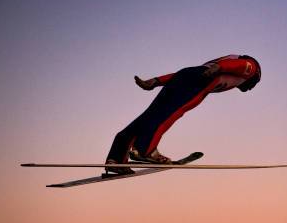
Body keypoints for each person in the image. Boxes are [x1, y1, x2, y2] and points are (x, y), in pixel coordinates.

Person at [105, 55, 261, 174]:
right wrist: (218, 68)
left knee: (150, 115)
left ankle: (117, 158)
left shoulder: (226, 64)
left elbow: (186, 74)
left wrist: (156, 81)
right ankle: (146, 150)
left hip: (186, 74)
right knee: (170, 114)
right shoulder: (251, 68)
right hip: (202, 80)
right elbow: (244, 65)